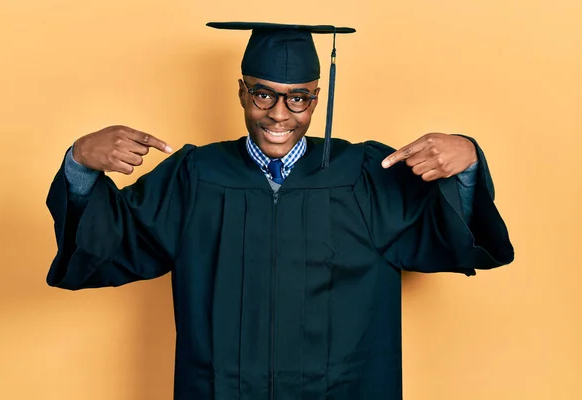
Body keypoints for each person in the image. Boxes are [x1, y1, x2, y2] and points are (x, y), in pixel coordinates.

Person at [46, 22, 514, 400]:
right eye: (263, 94)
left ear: (316, 97)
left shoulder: (367, 173)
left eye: (299, 98)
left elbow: (447, 238)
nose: (279, 114)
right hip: (221, 389)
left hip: (345, 389)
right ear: (242, 91)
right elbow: (117, 244)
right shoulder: (195, 174)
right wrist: (80, 164)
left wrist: (468, 160)